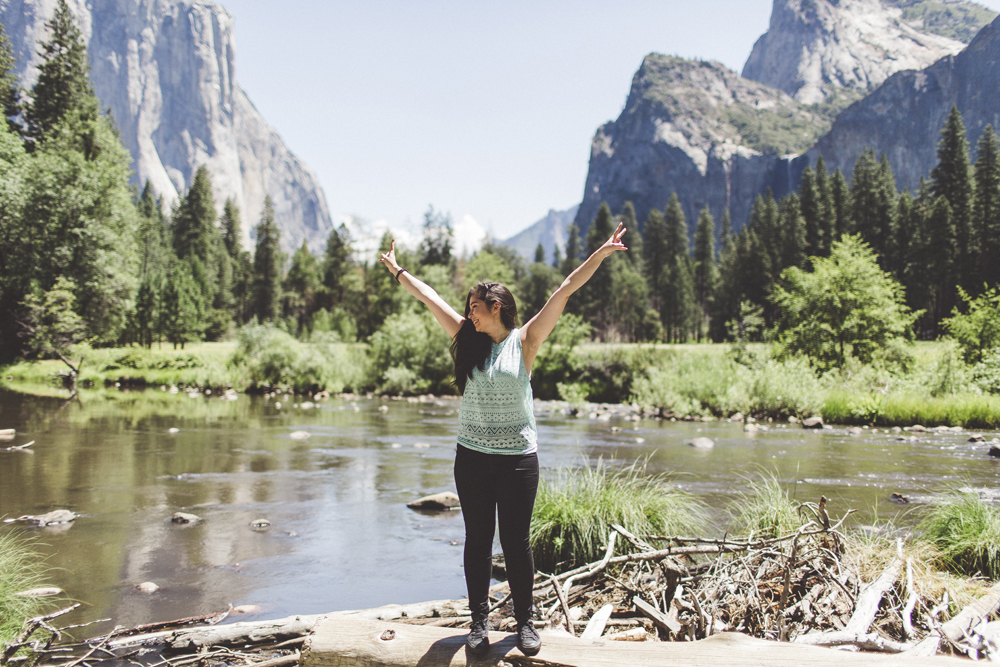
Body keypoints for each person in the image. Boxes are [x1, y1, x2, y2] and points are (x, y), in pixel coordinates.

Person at [379, 221, 628, 656]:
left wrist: (601, 254)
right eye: (469, 307)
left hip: (516, 460)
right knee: (478, 538)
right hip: (472, 458)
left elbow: (565, 289)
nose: (469, 312)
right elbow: (428, 296)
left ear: (496, 306)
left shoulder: (526, 340)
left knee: (515, 541)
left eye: (475, 306)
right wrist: (399, 271)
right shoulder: (466, 338)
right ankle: (478, 622)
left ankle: (526, 623)